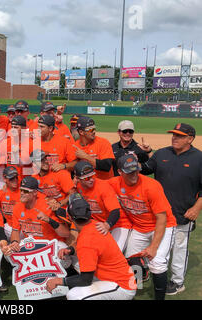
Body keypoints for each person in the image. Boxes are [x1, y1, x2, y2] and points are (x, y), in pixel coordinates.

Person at [141, 123, 202, 295]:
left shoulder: (199, 158)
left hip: (183, 214)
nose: (174, 137)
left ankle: (177, 281)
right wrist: (141, 155)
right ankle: (150, 271)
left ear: (190, 139)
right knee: (153, 243)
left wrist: (197, 207)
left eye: (180, 135)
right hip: (157, 213)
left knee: (179, 249)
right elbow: (146, 169)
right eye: (173, 134)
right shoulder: (162, 153)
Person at [45, 193, 137, 300]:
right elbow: (92, 247)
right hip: (113, 276)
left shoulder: (86, 240)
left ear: (70, 217)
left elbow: (85, 280)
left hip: (121, 285)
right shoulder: (95, 224)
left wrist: (59, 281)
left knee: (75, 295)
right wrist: (70, 249)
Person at [109, 154, 177, 300]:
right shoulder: (114, 183)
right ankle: (135, 289)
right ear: (120, 172)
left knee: (157, 263)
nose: (134, 174)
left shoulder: (151, 186)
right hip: (139, 227)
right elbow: (96, 185)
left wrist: (153, 246)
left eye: (135, 170)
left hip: (164, 226)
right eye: (129, 171)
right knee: (132, 258)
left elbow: (162, 218)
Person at [73, 160, 131, 251]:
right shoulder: (78, 187)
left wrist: (107, 225)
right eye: (86, 178)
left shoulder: (103, 187)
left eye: (92, 175)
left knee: (113, 252)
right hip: (98, 224)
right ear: (78, 178)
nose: (91, 179)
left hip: (118, 224)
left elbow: (116, 212)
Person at [74, 116, 115, 180]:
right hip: (86, 184)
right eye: (90, 129)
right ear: (81, 132)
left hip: (104, 184)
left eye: (94, 128)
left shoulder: (103, 142)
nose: (93, 131)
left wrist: (86, 156)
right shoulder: (75, 146)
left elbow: (106, 166)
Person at [0, 166, 21, 239]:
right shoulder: (2, 193)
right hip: (10, 226)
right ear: (5, 179)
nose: (15, 180)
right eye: (11, 178)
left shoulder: (23, 190)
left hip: (23, 227)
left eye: (16, 177)